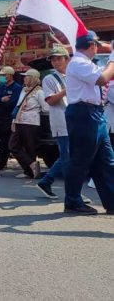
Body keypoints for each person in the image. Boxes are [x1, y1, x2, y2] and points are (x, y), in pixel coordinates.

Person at [63, 31, 114, 215]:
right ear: (92, 46)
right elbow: (102, 79)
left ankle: (111, 201)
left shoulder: (84, 63)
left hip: (94, 113)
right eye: (96, 46)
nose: (96, 49)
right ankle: (73, 201)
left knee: (106, 160)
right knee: (80, 160)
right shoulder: (78, 63)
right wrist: (113, 60)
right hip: (83, 113)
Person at [36, 45, 91, 203]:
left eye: (59, 58)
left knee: (70, 156)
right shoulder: (49, 78)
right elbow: (51, 101)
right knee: (68, 158)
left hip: (76, 120)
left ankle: (47, 181)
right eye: (53, 59)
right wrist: (66, 90)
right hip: (61, 121)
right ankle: (73, 194)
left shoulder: (74, 76)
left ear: (67, 59)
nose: (55, 62)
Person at [8, 69, 49, 179]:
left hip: (31, 122)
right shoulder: (24, 90)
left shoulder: (40, 92)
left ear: (32, 78)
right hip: (19, 121)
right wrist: (14, 121)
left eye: (26, 76)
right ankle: (31, 164)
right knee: (13, 146)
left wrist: (35, 111)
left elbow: (46, 108)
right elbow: (18, 106)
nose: (24, 78)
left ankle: (29, 172)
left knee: (30, 147)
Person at [0, 66, 21, 175]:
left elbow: (12, 103)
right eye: (1, 75)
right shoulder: (0, 86)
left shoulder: (17, 88)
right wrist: (1, 100)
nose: (2, 77)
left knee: (5, 145)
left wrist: (0, 102)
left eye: (4, 75)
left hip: (9, 119)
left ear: (10, 75)